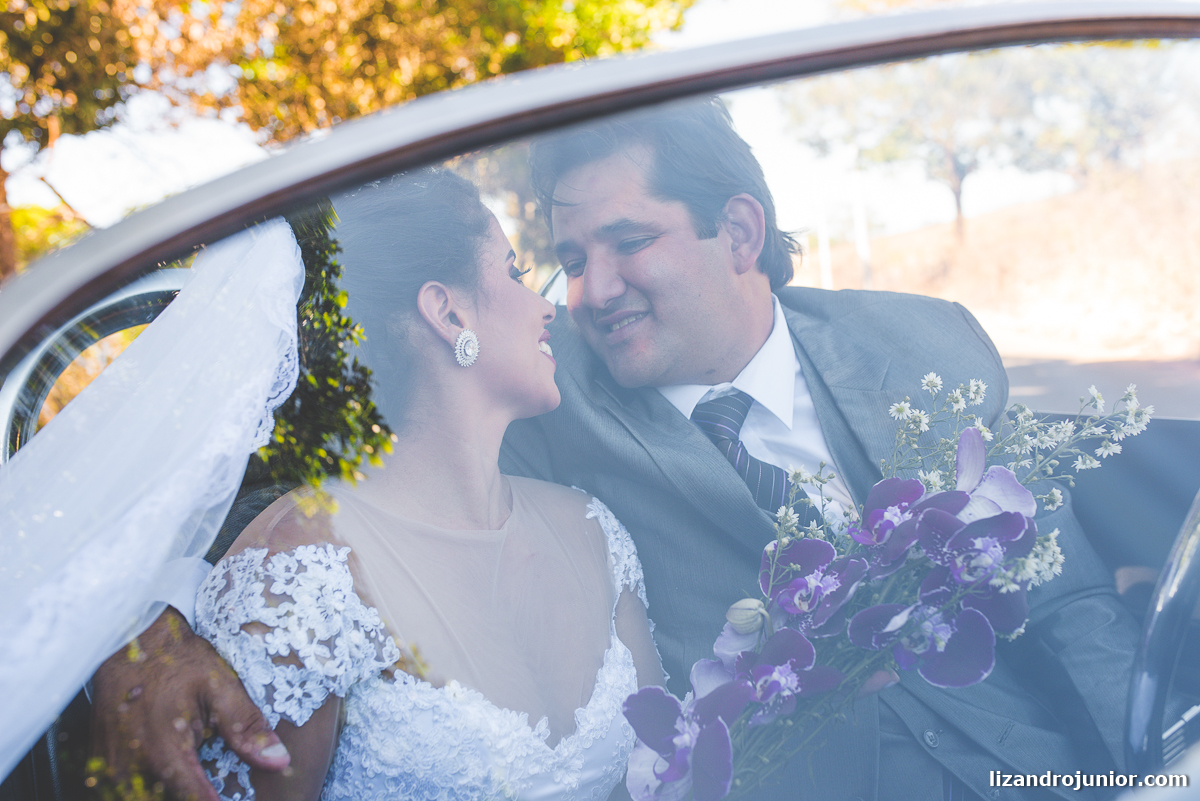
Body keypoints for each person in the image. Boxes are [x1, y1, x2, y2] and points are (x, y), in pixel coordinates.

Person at [92, 100, 1141, 801]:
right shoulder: (548, 399)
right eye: (563, 257)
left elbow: (1067, 599)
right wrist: (158, 635)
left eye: (629, 243)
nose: (588, 292)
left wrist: (1145, 772)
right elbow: (318, 526)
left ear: (740, 232)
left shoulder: (923, 343)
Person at [179, 169, 663, 800]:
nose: (547, 306)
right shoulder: (301, 572)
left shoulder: (594, 532)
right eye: (514, 274)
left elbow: (665, 771)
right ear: (447, 312)